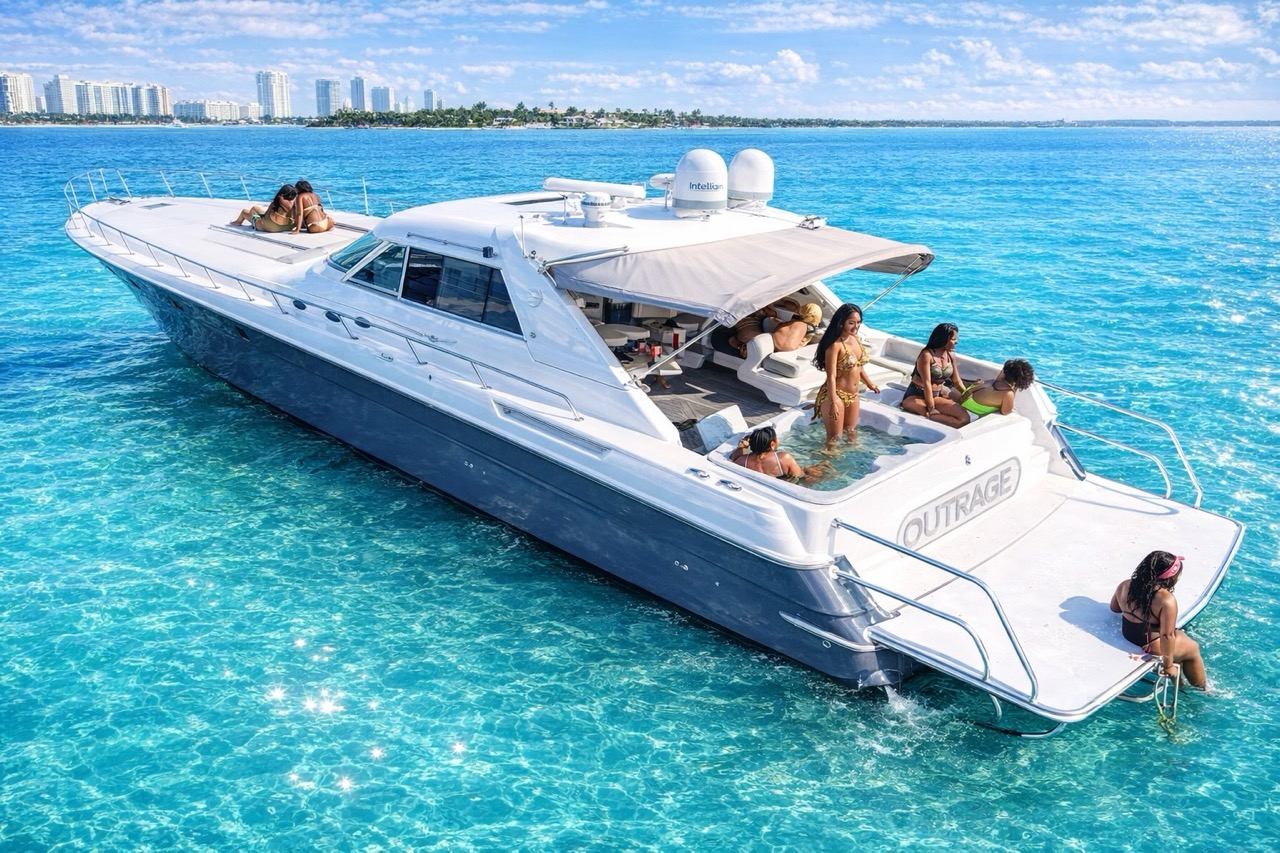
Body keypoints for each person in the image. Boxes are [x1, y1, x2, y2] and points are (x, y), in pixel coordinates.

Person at [1110, 550, 1207, 689]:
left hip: (1128, 635)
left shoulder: (1125, 585)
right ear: (1171, 578)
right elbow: (1167, 635)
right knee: (1192, 648)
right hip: (1151, 644)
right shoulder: (1166, 600)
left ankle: (1180, 682)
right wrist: (1168, 666)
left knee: (1181, 636)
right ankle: (1202, 690)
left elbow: (1114, 608)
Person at [811, 303, 879, 448]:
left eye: (858, 322)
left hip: (853, 395)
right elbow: (831, 376)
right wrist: (833, 402)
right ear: (841, 322)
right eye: (851, 323)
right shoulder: (835, 346)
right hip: (836, 395)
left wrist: (869, 383)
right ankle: (826, 461)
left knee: (851, 433)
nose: (856, 327)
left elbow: (858, 366)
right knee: (834, 439)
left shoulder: (856, 339)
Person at [900, 322, 970, 428]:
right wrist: (931, 408)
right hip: (917, 395)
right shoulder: (927, 355)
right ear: (944, 339)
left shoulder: (951, 356)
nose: (956, 342)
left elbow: (956, 381)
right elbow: (927, 383)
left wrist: (968, 396)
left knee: (964, 416)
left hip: (939, 393)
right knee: (935, 416)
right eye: (953, 339)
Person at [730, 426, 831, 484]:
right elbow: (799, 475)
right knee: (823, 466)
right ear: (772, 444)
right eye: (776, 439)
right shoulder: (784, 458)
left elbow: (733, 458)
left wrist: (743, 446)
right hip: (784, 481)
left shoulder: (742, 461)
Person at [957, 358, 1036, 419]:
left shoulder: (992, 382)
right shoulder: (1008, 393)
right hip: (971, 414)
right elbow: (1005, 412)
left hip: (964, 404)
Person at [727, 297, 800, 357]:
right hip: (747, 330)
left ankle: (743, 346)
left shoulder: (762, 305)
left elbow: (788, 302)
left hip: (748, 331)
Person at [229, 183, 296, 232]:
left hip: (268, 226)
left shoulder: (276, 202)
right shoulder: (294, 205)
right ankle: (245, 219)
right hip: (285, 227)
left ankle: (238, 222)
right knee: (254, 209)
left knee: (247, 211)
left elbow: (266, 216)